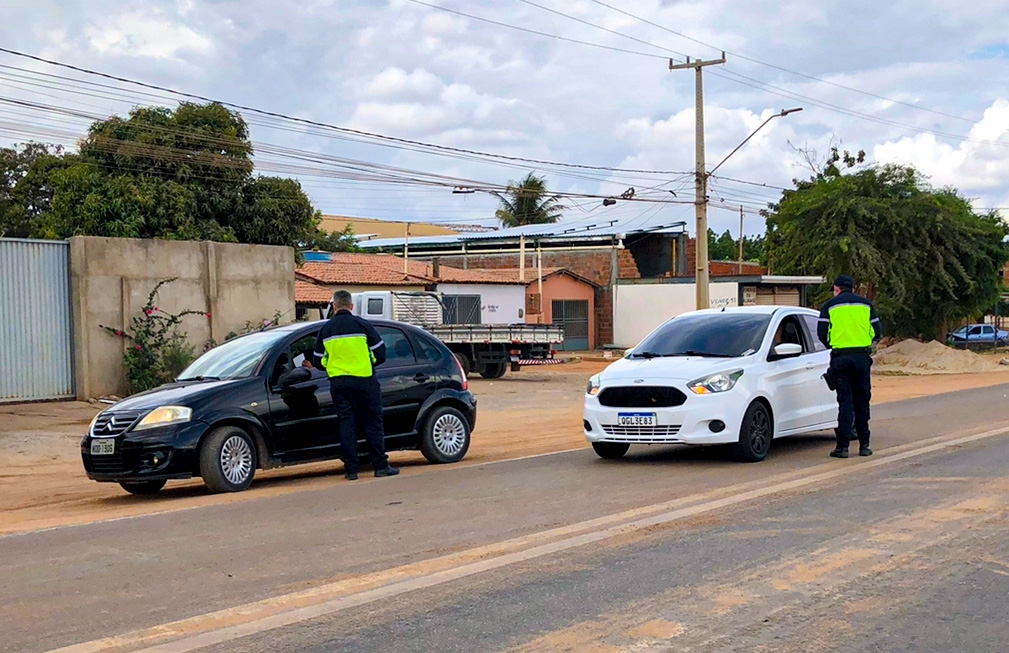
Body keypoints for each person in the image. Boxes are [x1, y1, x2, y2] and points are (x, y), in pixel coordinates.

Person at [313, 290, 399, 481]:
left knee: (346, 424)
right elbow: (381, 354)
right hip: (364, 381)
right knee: (373, 424)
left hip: (339, 383)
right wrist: (367, 362)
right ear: (351, 306)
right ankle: (380, 466)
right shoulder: (363, 325)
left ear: (334, 307)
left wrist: (333, 365)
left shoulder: (326, 329)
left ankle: (351, 470)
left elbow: (317, 361)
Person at [817, 275, 882, 459]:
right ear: (852, 289)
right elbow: (877, 332)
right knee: (862, 401)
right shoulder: (867, 305)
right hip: (862, 357)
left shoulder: (829, 306)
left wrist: (833, 344)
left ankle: (843, 447)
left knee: (845, 402)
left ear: (837, 289)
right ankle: (865, 446)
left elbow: (822, 334)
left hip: (841, 358)